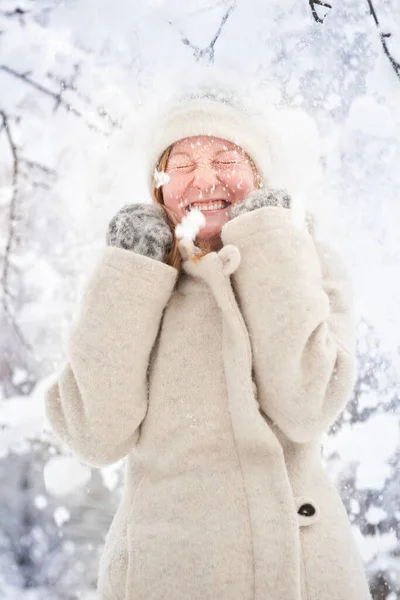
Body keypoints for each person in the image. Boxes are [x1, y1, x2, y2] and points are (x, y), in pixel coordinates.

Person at [45, 96, 372, 600]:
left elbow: (306, 404)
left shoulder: (310, 264)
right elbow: (95, 434)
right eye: (182, 166)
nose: (204, 181)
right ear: (158, 183)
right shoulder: (135, 278)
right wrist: (130, 269)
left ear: (259, 173)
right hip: (163, 572)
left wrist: (268, 240)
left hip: (302, 573)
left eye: (225, 161)